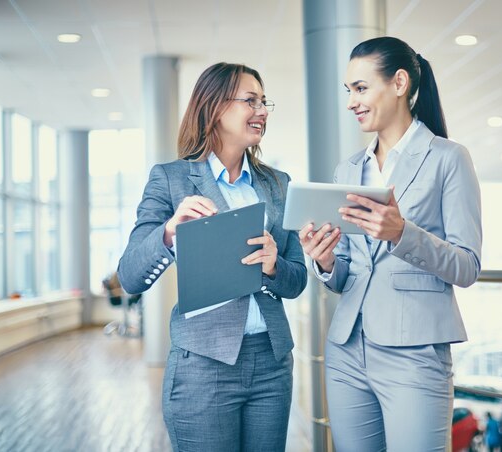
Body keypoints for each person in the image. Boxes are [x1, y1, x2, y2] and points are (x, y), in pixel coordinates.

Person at [299, 36, 482, 451]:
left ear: (399, 83)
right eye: (349, 91)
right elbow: (344, 274)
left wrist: (402, 234)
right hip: (346, 349)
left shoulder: (448, 158)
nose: (351, 102)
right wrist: (326, 262)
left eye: (361, 88)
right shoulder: (347, 170)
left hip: (415, 351)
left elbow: (468, 266)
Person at [117, 62, 307, 452]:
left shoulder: (278, 184)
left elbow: (297, 279)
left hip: (271, 363)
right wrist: (170, 232)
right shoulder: (170, 179)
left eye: (264, 101)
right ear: (215, 107)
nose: (263, 111)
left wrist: (273, 265)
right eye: (250, 100)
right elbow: (130, 276)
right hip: (204, 365)